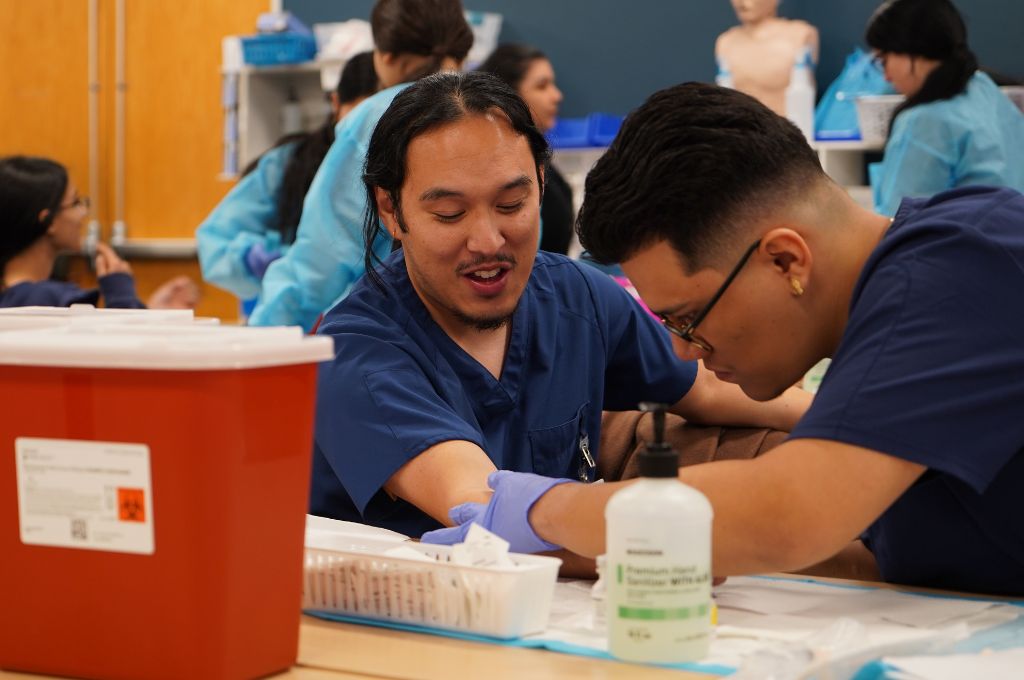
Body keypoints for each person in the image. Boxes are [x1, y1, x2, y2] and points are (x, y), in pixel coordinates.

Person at [426, 81, 1024, 597]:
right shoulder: (882, 329)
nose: (684, 350)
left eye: (688, 318)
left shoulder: (961, 265)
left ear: (786, 261)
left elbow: (788, 512)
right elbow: (872, 552)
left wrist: (542, 509)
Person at [311, 72, 811, 553]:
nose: (488, 242)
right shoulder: (355, 353)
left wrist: (847, 418)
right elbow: (482, 511)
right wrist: (680, 538)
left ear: (542, 184)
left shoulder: (576, 298)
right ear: (391, 210)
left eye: (511, 204)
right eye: (450, 214)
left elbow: (702, 388)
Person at [248, 0, 474, 330]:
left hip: (394, 339)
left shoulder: (376, 119)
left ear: (384, 56)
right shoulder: (495, 113)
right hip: (488, 332)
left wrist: (266, 334)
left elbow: (323, 259)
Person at [196, 51, 379, 303]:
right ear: (335, 104)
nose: (365, 134)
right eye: (358, 118)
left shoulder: (414, 172)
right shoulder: (288, 164)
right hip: (296, 323)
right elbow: (216, 242)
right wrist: (252, 258)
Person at [866, 0, 1024, 216]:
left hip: (965, 246)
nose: (885, 76)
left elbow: (897, 222)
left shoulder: (924, 121)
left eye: (883, 61)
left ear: (912, 50)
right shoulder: (985, 88)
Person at [0, 155, 196, 309]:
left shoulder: (16, 298)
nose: (84, 213)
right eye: (76, 203)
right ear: (48, 221)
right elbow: (127, 351)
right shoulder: (45, 300)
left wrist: (150, 311)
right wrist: (122, 295)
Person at [477, 43, 574, 255]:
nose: (557, 96)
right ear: (512, 95)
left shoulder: (536, 155)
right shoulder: (498, 170)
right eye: (542, 86)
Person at [715, 0, 818, 115]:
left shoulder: (800, 35)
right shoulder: (726, 42)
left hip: (785, 129)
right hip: (739, 129)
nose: (741, 1)